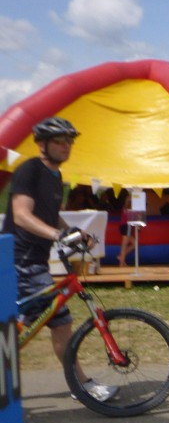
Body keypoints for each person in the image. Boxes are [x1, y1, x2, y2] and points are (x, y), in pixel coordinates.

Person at [3, 117, 117, 402]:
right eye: (59, 141)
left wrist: (74, 234)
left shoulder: (55, 177)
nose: (66, 146)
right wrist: (58, 235)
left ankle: (80, 385)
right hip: (21, 262)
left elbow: (50, 216)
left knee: (32, 324)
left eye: (69, 141)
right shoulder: (30, 169)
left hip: (33, 262)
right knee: (58, 322)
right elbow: (21, 215)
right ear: (42, 144)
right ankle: (83, 386)